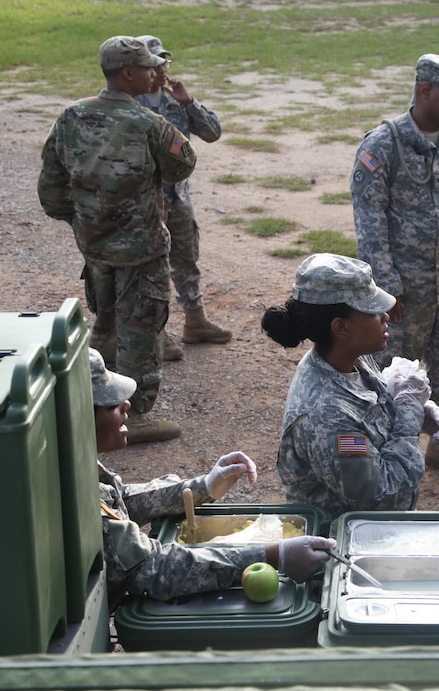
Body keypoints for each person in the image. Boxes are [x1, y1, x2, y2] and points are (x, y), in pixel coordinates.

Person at [38, 36, 197, 444]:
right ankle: (136, 413)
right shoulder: (148, 124)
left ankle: (94, 391)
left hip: (93, 244)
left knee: (105, 314)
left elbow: (52, 184)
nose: (154, 72)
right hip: (141, 248)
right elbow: (183, 167)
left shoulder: (71, 116)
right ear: (128, 74)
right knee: (143, 326)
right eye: (147, 67)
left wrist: (80, 222)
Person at [91, 349, 333, 607]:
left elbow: (118, 499)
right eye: (109, 404)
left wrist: (203, 487)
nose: (126, 404)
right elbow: (154, 569)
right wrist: (273, 555)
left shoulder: (67, 459)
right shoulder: (69, 497)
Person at [350, 54, 439, 483]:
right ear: (424, 90)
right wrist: (388, 287)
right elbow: (369, 219)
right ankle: (386, 452)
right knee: (389, 370)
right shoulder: (383, 144)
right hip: (403, 290)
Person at [264, 254, 439, 517]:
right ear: (340, 327)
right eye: (373, 311)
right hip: (339, 543)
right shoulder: (326, 416)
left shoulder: (348, 357)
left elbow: (369, 414)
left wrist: (416, 409)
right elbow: (384, 499)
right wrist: (409, 417)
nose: (386, 315)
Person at [134, 35, 232, 360]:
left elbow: (213, 133)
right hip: (147, 202)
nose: (162, 68)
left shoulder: (175, 100)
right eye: (155, 62)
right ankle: (154, 333)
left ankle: (195, 321)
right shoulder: (130, 104)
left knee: (186, 258)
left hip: (178, 198)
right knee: (152, 266)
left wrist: (189, 102)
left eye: (165, 61)